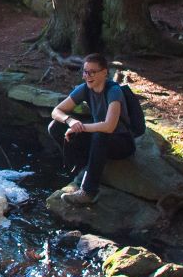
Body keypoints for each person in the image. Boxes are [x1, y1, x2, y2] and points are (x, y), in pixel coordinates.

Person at [48, 53, 137, 200]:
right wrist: (70, 121)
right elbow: (56, 111)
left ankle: (89, 191)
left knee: (100, 134)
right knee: (55, 126)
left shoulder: (114, 91)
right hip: (99, 139)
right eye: (85, 71)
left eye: (92, 72)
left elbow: (109, 127)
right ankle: (82, 169)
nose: (87, 76)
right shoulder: (84, 89)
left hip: (122, 142)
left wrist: (81, 127)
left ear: (104, 73)